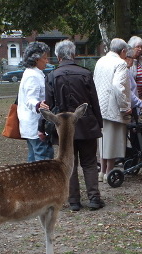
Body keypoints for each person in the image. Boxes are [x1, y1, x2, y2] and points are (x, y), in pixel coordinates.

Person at [42, 40, 105, 211]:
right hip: (86, 124)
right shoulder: (85, 73)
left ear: (58, 56)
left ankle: (74, 201)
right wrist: (99, 123)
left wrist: (43, 128)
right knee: (90, 162)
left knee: (70, 164)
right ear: (74, 54)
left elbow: (47, 105)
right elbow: (94, 102)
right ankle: (94, 198)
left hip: (63, 127)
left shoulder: (52, 76)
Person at [93, 38, 132, 183]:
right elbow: (117, 86)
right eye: (126, 53)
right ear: (122, 51)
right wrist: (125, 106)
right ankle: (109, 172)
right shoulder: (120, 63)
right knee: (113, 141)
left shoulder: (100, 61)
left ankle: (102, 171)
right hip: (113, 108)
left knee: (103, 140)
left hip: (99, 107)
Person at [17, 42, 54, 162]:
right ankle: (41, 181)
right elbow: (30, 99)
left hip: (32, 125)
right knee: (43, 159)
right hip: (35, 126)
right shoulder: (32, 75)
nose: (47, 61)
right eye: (44, 58)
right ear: (36, 59)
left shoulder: (34, 73)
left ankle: (30, 180)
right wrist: (38, 105)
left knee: (33, 159)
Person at [125, 48, 142, 113]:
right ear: (127, 58)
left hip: (133, 104)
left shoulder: (128, 70)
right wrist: (139, 103)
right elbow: (127, 91)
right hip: (129, 107)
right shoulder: (125, 71)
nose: (133, 60)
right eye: (132, 58)